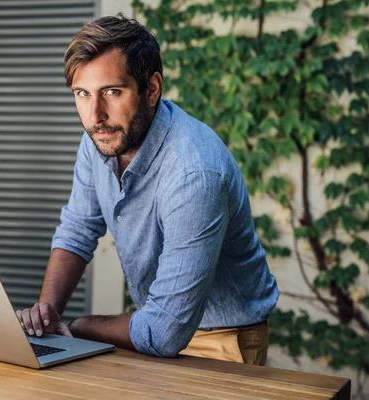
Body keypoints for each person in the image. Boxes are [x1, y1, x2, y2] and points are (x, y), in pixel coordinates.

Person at [15, 14, 278, 365]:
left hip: (221, 341)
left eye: (112, 91)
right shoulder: (101, 137)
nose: (95, 114)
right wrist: (46, 317)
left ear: (151, 89)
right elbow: (78, 229)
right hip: (154, 328)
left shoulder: (193, 173)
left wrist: (77, 326)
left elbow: (165, 331)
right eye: (83, 94)